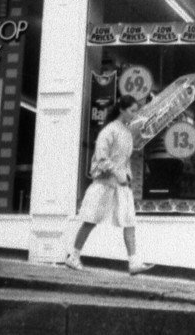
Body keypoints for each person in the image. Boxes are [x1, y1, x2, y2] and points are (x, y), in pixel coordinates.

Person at [64, 94, 153, 276]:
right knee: (90, 220)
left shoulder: (127, 132)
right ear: (122, 109)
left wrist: (127, 176)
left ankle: (133, 262)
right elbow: (102, 158)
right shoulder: (109, 130)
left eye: (136, 111)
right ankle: (73, 256)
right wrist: (119, 173)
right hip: (104, 183)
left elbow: (124, 159)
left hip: (121, 185)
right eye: (132, 111)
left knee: (129, 221)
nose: (135, 115)